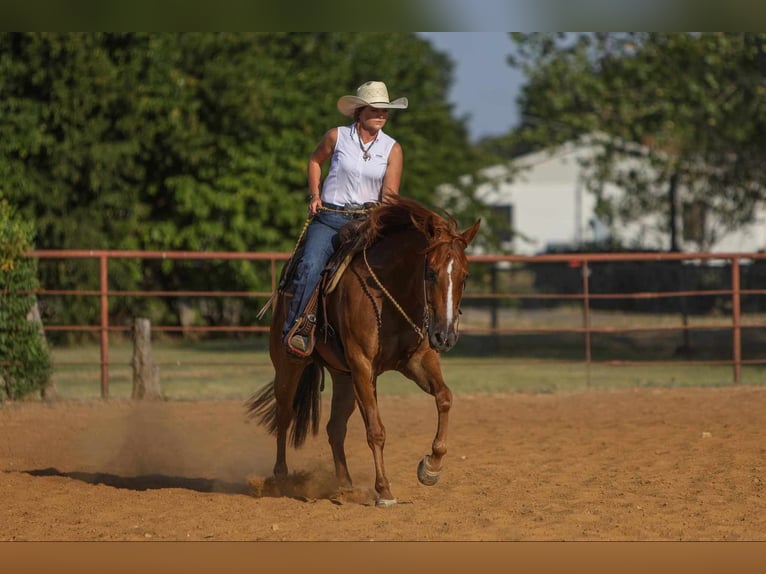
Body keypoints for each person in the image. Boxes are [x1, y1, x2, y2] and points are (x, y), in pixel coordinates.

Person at [282, 80, 408, 355]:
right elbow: (316, 161)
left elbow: (389, 195)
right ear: (360, 111)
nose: (382, 115)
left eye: (385, 110)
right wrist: (315, 195)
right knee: (309, 265)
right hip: (329, 218)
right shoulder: (336, 136)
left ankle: (401, 333)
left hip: (367, 222)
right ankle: (297, 328)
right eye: (375, 109)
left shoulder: (392, 149)